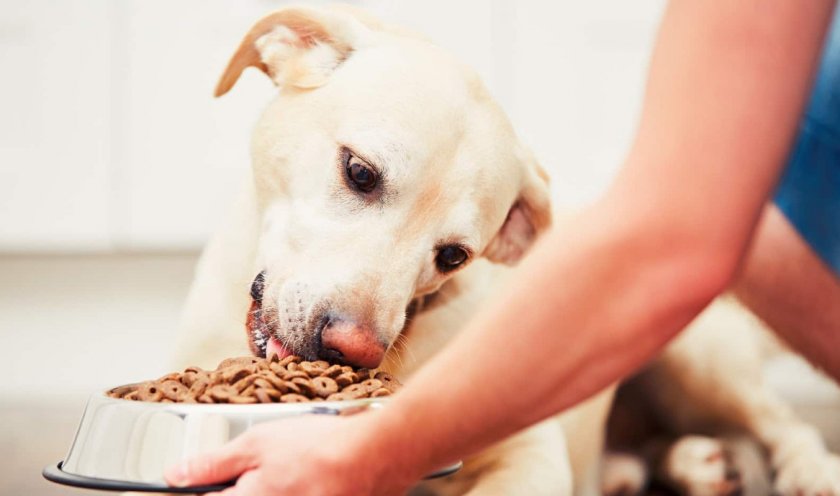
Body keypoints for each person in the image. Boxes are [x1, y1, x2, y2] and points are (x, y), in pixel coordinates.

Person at [165, 2, 840, 494]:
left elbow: (532, 465)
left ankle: (786, 442)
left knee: (695, 310)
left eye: (450, 255)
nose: (367, 331)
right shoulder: (237, 261)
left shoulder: (513, 251)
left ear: (510, 238)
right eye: (361, 177)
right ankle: (642, 459)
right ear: (285, 50)